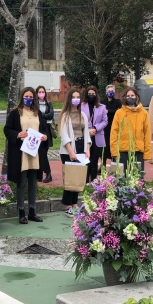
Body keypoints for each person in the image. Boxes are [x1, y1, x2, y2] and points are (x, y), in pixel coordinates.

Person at [4, 87, 49, 224]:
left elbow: (44, 130)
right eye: (26, 96)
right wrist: (17, 134)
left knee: (33, 183)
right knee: (21, 182)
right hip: (21, 153)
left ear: (34, 98)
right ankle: (21, 212)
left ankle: (32, 211)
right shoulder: (15, 113)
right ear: (22, 97)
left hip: (35, 152)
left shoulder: (38, 113)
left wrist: (44, 136)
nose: (28, 99)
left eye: (31, 96)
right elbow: (7, 129)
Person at [58, 88, 91, 216]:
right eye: (74, 97)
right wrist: (71, 152)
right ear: (69, 99)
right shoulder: (65, 115)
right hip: (68, 150)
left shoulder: (82, 114)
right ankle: (67, 205)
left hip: (81, 147)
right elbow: (64, 135)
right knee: (70, 177)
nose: (76, 99)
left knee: (78, 176)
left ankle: (75, 204)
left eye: (78, 97)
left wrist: (87, 148)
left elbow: (87, 133)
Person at [110, 87, 151, 176]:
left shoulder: (144, 113)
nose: (130, 97)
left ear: (136, 97)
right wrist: (114, 152)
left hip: (138, 150)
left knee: (138, 177)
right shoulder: (119, 113)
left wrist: (147, 153)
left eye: (132, 95)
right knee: (123, 177)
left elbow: (147, 133)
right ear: (125, 97)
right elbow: (114, 133)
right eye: (128, 96)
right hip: (123, 150)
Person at [81, 85, 108, 182]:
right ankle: (85, 180)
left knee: (94, 159)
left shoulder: (102, 107)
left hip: (97, 136)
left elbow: (105, 121)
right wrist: (87, 130)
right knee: (86, 159)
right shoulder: (81, 106)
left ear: (96, 95)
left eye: (93, 94)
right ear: (86, 95)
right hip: (85, 135)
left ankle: (93, 180)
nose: (91, 95)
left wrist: (95, 129)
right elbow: (79, 120)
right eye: (89, 94)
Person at [36, 85, 54, 183]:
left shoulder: (49, 103)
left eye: (43, 91)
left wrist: (40, 115)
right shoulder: (34, 104)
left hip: (46, 130)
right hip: (36, 130)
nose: (41, 93)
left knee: (43, 153)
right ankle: (39, 175)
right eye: (39, 92)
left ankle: (48, 173)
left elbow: (51, 115)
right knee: (37, 153)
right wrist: (43, 116)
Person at [103, 84, 122, 167]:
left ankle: (115, 165)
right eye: (109, 91)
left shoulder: (118, 102)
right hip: (105, 127)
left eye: (112, 91)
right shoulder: (102, 102)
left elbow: (119, 112)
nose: (110, 92)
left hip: (115, 126)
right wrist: (113, 111)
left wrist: (109, 111)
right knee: (104, 146)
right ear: (106, 92)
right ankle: (102, 165)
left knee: (114, 145)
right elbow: (103, 112)